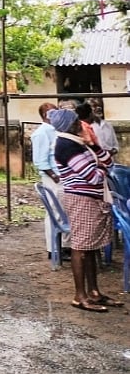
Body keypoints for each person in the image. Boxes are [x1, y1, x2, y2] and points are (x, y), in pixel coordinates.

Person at [50, 108, 124, 312]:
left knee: (90, 247)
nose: (82, 124)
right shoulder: (66, 146)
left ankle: (94, 292)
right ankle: (79, 296)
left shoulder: (80, 143)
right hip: (82, 199)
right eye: (77, 121)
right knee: (81, 247)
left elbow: (109, 161)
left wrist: (94, 145)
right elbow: (93, 177)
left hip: (92, 197)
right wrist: (102, 168)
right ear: (71, 125)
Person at [31, 102, 67, 258]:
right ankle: (53, 249)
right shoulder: (41, 133)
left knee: (65, 212)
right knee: (55, 212)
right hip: (54, 178)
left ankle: (65, 246)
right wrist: (54, 176)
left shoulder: (57, 131)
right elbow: (40, 160)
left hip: (62, 176)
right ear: (46, 115)